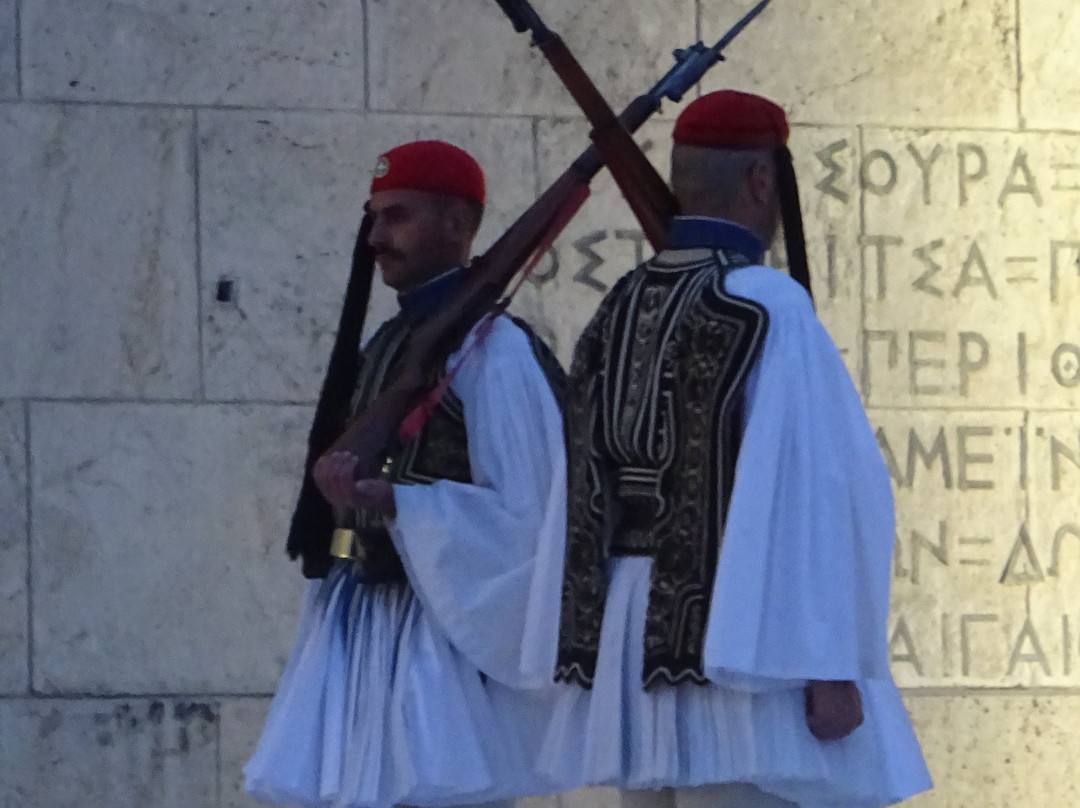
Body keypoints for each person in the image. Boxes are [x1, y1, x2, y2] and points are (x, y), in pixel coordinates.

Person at [527, 91, 933, 808]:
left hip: (634, 639)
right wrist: (830, 662)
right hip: (747, 638)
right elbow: (816, 491)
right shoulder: (766, 305)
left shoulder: (620, 304)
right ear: (760, 182)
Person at [245, 140, 567, 808]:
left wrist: (406, 505)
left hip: (442, 638)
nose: (376, 237)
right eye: (374, 217)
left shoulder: (498, 354)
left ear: (458, 224)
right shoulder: (389, 344)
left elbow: (535, 518)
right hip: (367, 622)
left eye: (397, 216)